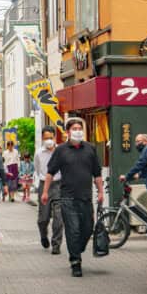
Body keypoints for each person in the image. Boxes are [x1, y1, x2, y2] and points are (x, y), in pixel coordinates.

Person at [42, 117, 103, 277]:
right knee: (73, 230)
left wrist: (101, 191)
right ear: (68, 132)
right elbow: (50, 172)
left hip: (86, 198)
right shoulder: (61, 150)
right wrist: (45, 192)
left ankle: (78, 248)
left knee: (87, 228)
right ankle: (75, 261)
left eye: (79, 128)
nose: (78, 131)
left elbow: (97, 173)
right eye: (74, 128)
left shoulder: (90, 148)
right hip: (68, 198)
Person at [35, 126, 63, 254]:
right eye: (46, 138)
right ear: (42, 138)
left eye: (50, 138)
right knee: (43, 218)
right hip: (43, 185)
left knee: (58, 217)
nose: (48, 141)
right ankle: (43, 235)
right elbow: (38, 169)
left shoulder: (61, 151)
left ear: (54, 137)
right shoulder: (39, 153)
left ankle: (56, 244)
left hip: (59, 185)